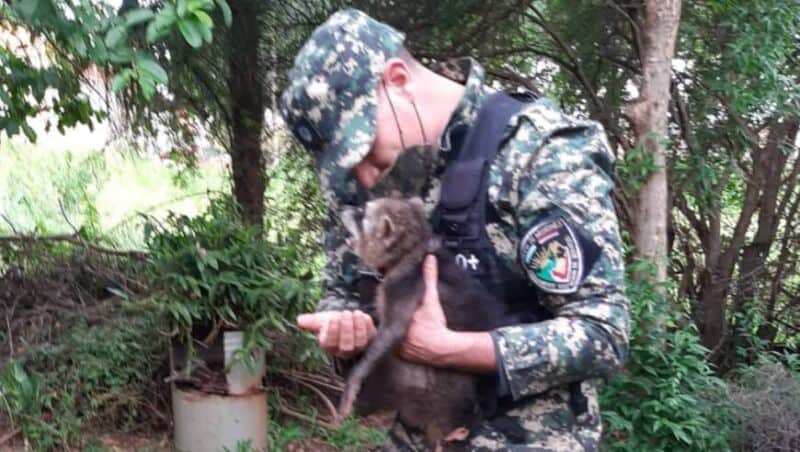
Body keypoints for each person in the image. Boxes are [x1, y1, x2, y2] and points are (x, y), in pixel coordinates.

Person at [281, 9, 629, 451]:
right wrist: (345, 330)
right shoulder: (371, 182)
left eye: (364, 150)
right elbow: (345, 291)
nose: (365, 178)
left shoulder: (538, 152)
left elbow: (603, 334)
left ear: (398, 81)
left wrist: (449, 348)